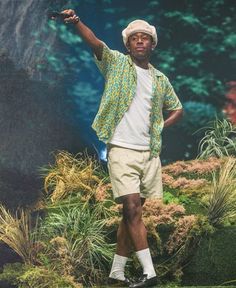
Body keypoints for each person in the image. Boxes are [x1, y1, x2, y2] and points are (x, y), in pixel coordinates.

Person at [56, 9, 183, 288]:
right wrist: (77, 22)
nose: (139, 42)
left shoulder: (160, 79)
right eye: (134, 38)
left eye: (145, 38)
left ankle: (116, 271)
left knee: (131, 215)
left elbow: (178, 109)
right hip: (122, 149)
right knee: (132, 207)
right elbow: (95, 42)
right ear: (128, 45)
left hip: (148, 153)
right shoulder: (116, 63)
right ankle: (150, 273)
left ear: (152, 44)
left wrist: (160, 124)